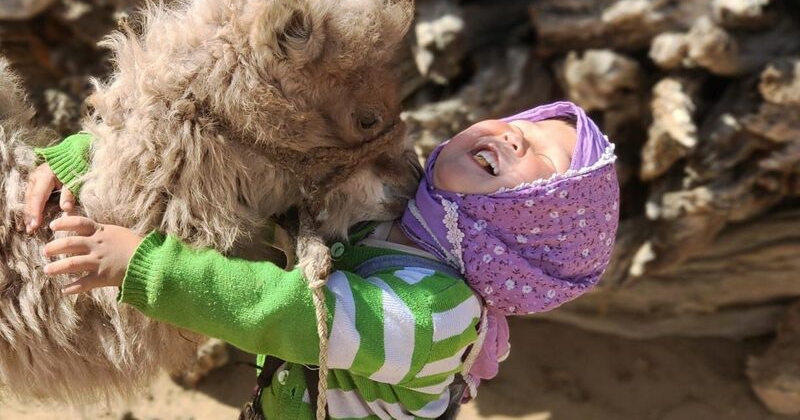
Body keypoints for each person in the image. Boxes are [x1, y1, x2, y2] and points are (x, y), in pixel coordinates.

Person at [26, 101, 619, 420]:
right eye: (520, 123)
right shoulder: (388, 194)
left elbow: (296, 315)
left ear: (529, 225)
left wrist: (144, 265)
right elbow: (248, 171)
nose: (516, 135)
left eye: (546, 159)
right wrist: (99, 164)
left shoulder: (440, 316)